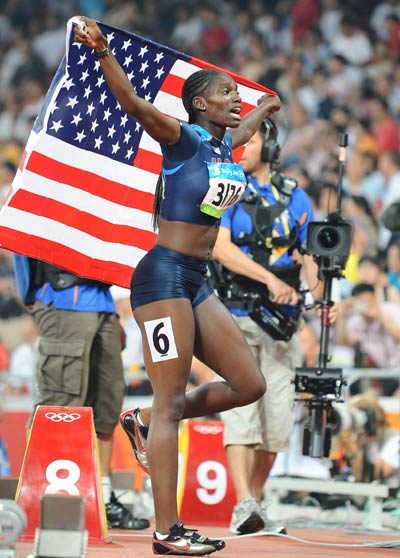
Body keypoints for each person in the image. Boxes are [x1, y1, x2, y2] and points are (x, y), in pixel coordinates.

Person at [74, 15, 281, 556]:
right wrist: (103, 54)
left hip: (195, 279)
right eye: (225, 94)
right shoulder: (183, 138)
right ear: (199, 106)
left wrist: (267, 104)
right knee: (171, 402)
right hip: (162, 277)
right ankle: (167, 531)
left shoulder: (222, 146)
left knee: (249, 384)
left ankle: (142, 421)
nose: (235, 99)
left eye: (236, 93)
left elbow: (247, 128)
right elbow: (135, 107)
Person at [211, 117, 336, 534]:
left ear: (270, 145)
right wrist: (269, 280)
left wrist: (321, 299)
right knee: (242, 415)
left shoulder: (296, 197)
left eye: (250, 138)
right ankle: (244, 503)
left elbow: (309, 255)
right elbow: (220, 247)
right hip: (235, 318)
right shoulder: (228, 189)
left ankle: (254, 502)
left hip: (283, 326)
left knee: (278, 423)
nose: (241, 145)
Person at [12, 256, 149, 531]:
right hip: (61, 299)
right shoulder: (43, 211)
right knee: (58, 405)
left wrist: (111, 314)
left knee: (107, 407)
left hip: (102, 302)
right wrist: (37, 297)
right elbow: (23, 246)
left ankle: (102, 498)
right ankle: (41, 496)